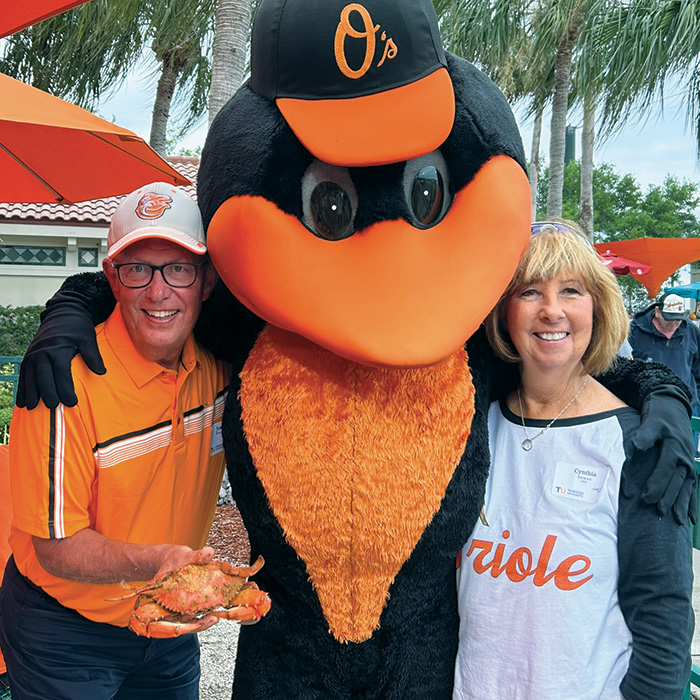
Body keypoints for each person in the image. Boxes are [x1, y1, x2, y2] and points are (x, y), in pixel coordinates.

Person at [0, 182, 238, 700]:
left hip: (166, 621)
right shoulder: (64, 384)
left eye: (178, 268)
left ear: (207, 281)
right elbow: (57, 547)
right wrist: (160, 562)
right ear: (112, 277)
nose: (158, 292)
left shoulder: (221, 366)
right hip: (65, 630)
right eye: (137, 269)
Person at [454, 221, 693, 699]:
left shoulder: (636, 442)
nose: (552, 310)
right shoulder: (470, 427)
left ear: (598, 308)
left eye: (571, 291)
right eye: (529, 292)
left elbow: (662, 611)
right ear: (503, 312)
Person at [629, 292, 700, 414]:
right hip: (645, 406)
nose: (674, 323)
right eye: (669, 318)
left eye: (678, 319)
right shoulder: (634, 331)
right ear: (657, 312)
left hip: (686, 404)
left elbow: (698, 370)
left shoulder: (692, 330)